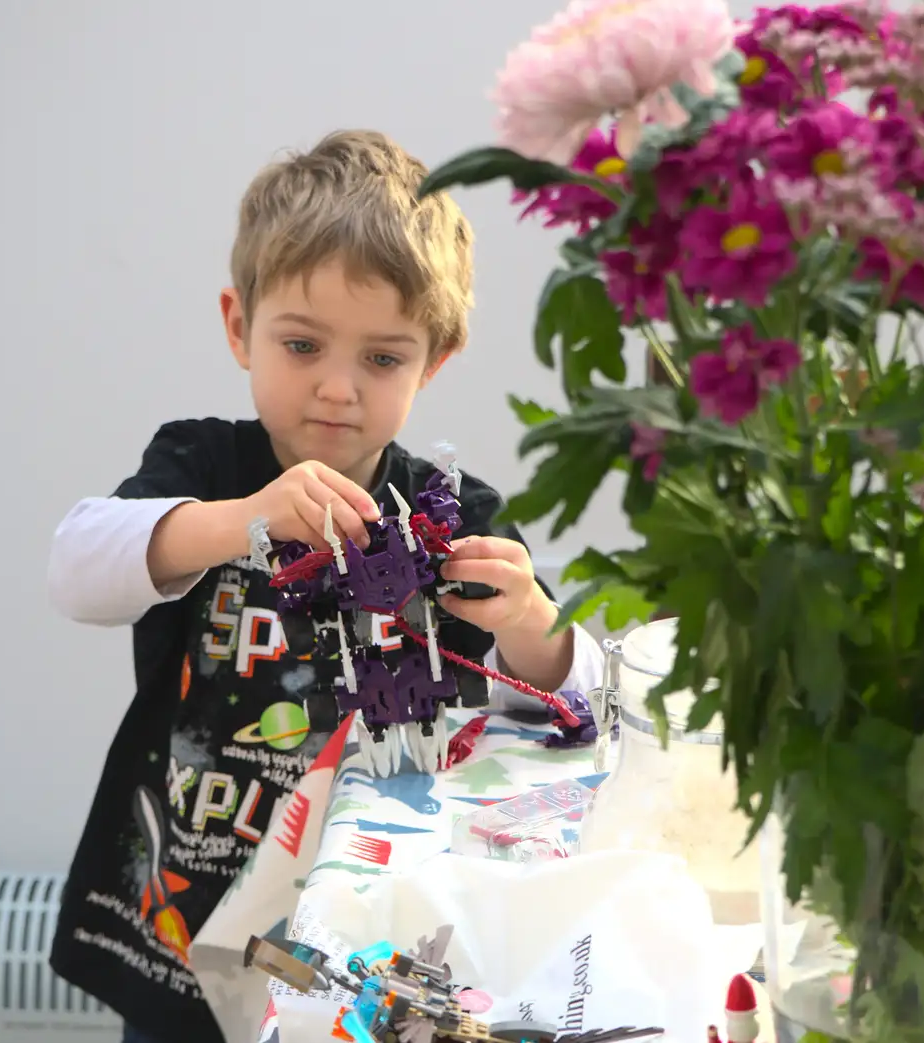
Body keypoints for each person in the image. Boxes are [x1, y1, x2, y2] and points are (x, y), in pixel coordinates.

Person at [45, 129, 604, 1043]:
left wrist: (538, 625)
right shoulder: (203, 462)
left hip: (379, 955)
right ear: (239, 326)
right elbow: (76, 571)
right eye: (302, 344)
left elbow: (564, 705)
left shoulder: (455, 514)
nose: (338, 389)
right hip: (186, 924)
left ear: (437, 360)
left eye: (383, 359)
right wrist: (243, 518)